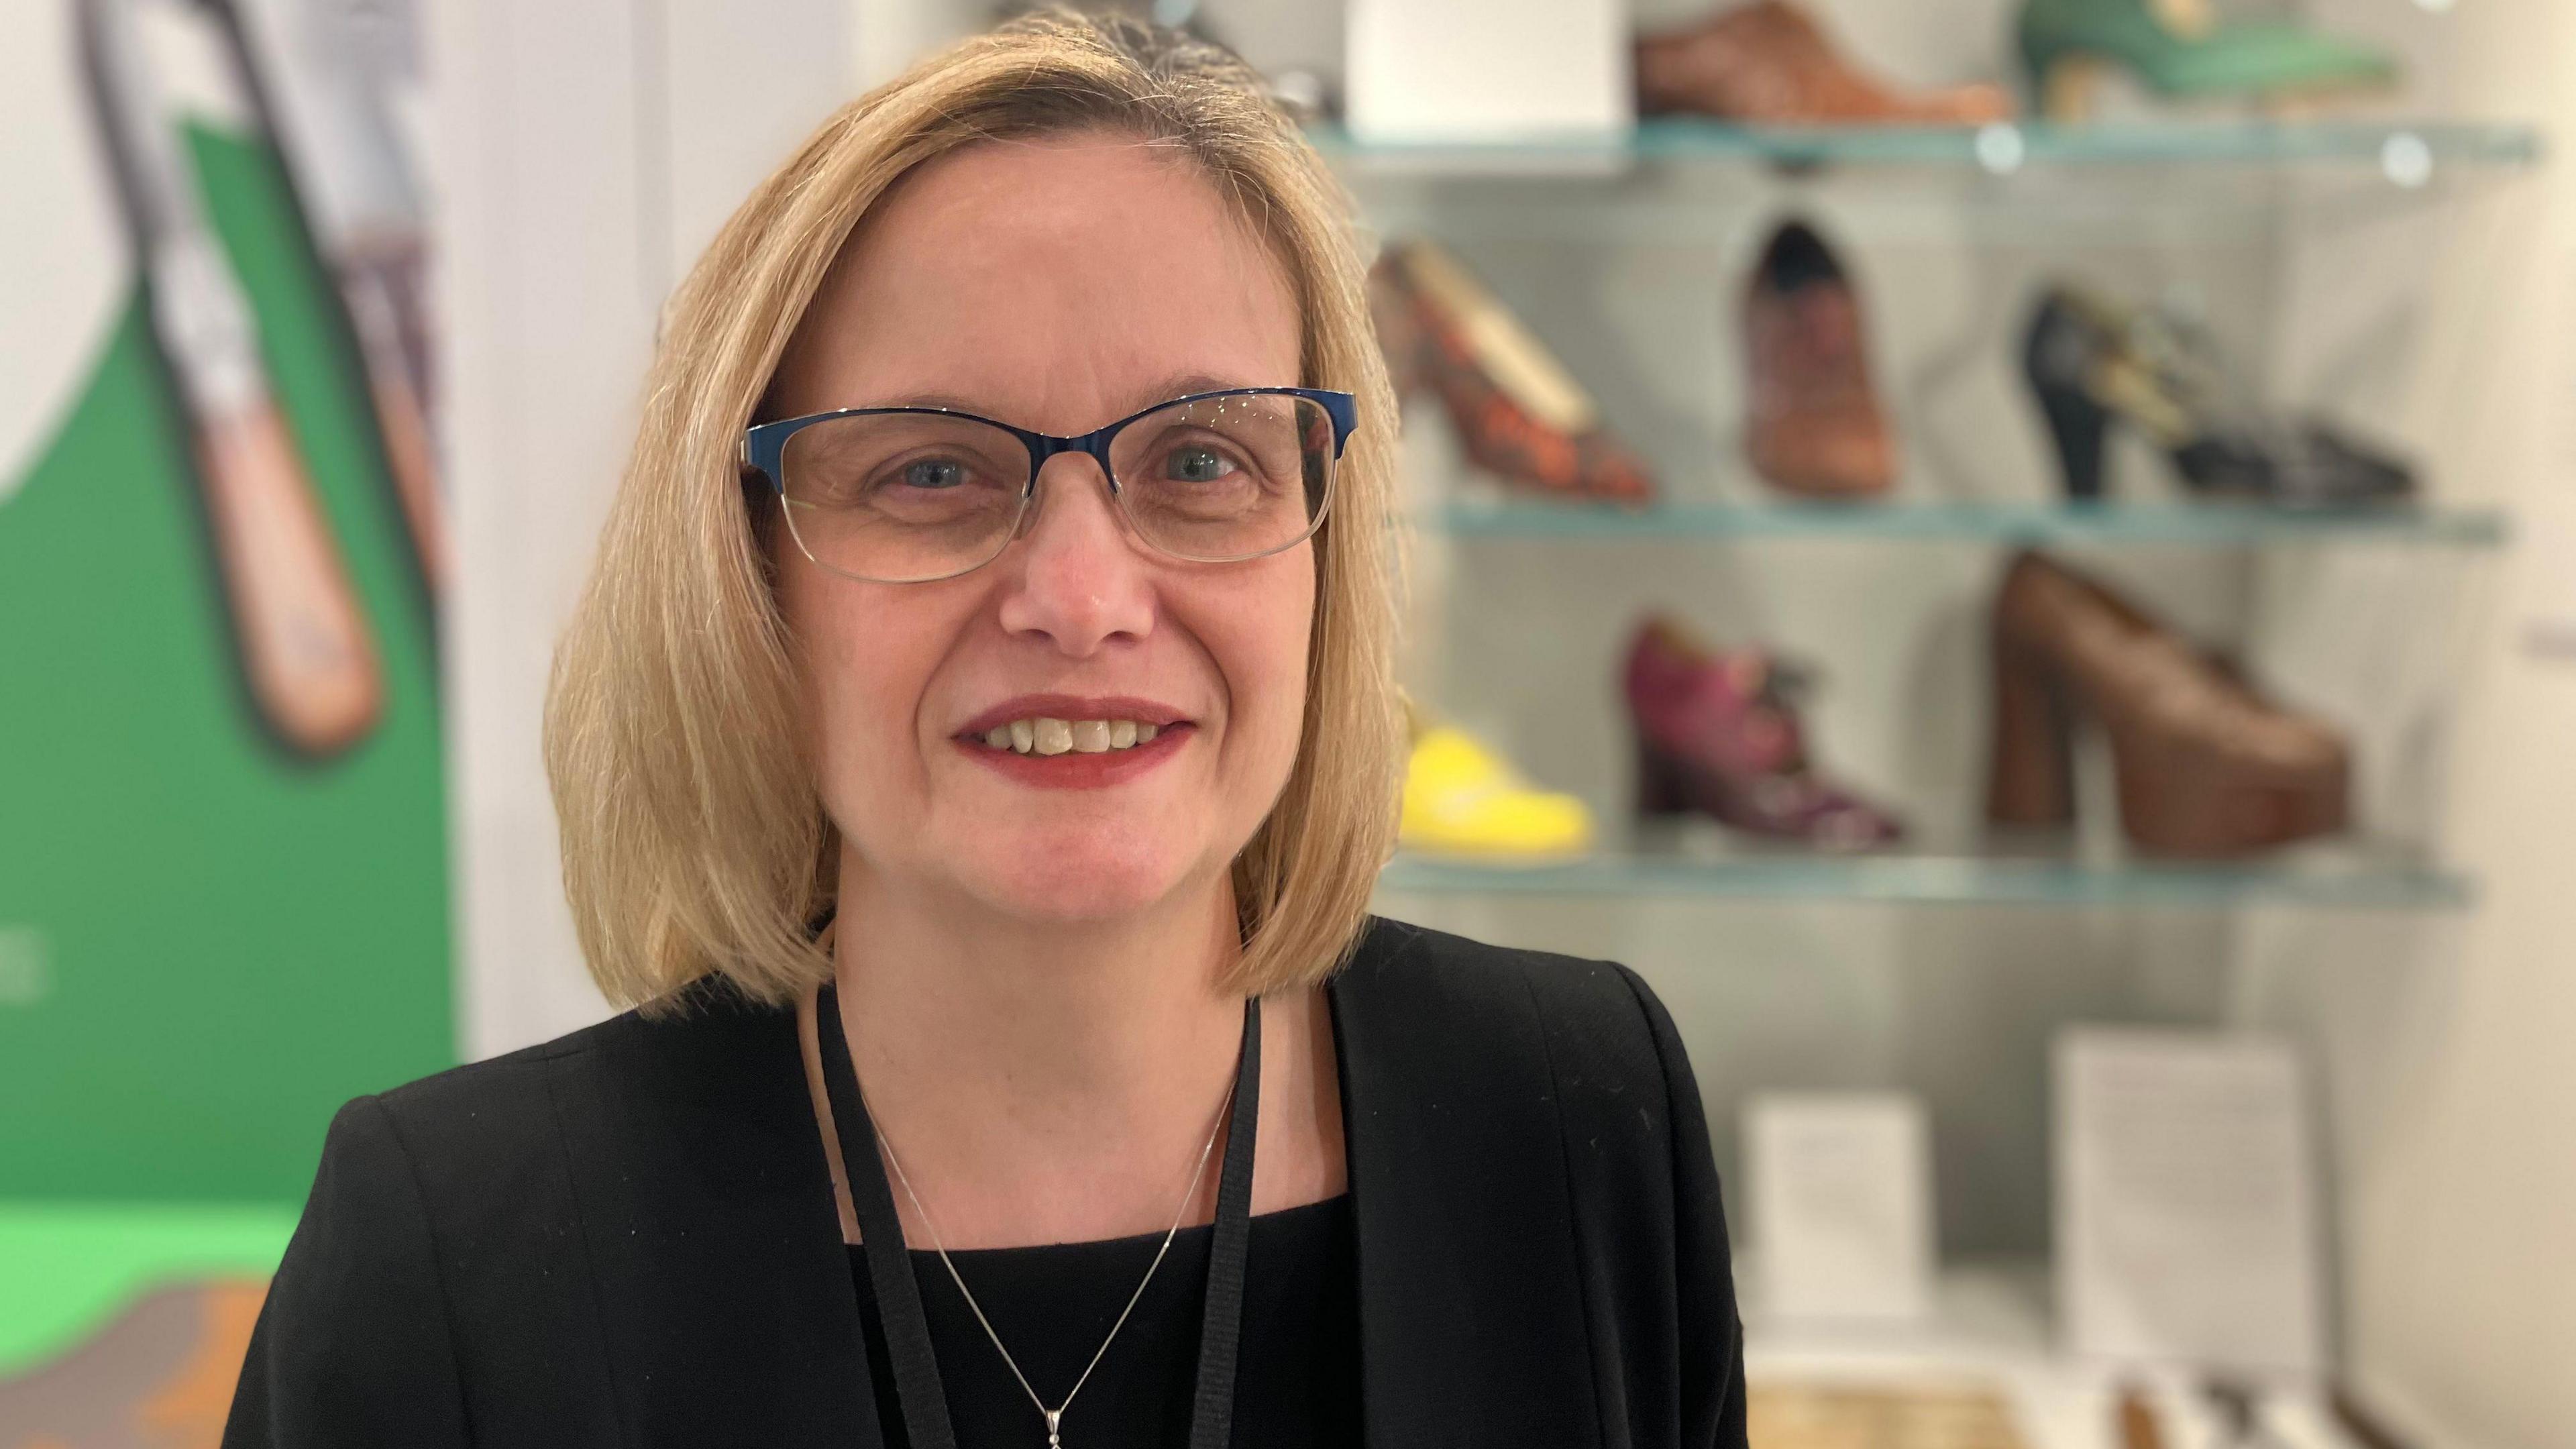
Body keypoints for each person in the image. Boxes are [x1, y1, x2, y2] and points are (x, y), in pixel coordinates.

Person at [221, 11, 1745, 1447]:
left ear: (1326, 543)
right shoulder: (447, 1254)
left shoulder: (1576, 1117)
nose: (1080, 599)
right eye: (932, 473)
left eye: (1200, 461)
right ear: (747, 574)